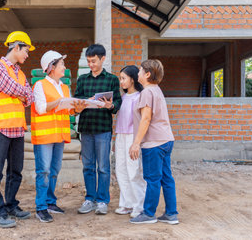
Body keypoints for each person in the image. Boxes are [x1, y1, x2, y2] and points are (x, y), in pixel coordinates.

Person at [0, 31, 35, 228]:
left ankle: (10, 205)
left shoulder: (20, 73)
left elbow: (30, 98)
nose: (27, 55)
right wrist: (20, 92)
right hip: (0, 128)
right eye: (26, 51)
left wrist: (19, 92)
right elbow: (10, 87)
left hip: (17, 130)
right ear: (16, 47)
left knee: (16, 171)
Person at [31, 51, 86, 223]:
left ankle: (50, 202)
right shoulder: (40, 85)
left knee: (54, 171)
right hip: (45, 137)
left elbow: (68, 110)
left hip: (59, 135)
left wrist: (77, 108)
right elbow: (40, 108)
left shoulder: (63, 87)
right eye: (62, 64)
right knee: (44, 171)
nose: (64, 67)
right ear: (52, 67)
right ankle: (41, 208)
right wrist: (60, 102)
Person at [129, 59, 179, 225]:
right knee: (166, 178)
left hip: (154, 143)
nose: (138, 74)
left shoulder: (146, 92)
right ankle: (171, 213)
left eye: (140, 71)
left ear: (147, 74)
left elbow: (146, 119)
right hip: (166, 139)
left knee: (152, 179)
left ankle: (149, 213)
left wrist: (136, 143)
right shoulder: (157, 90)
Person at [74, 44, 122, 215]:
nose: (91, 64)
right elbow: (76, 100)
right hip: (86, 127)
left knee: (103, 166)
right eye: (88, 61)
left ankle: (102, 201)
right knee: (88, 166)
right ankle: (89, 199)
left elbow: (117, 103)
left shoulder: (111, 79)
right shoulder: (82, 79)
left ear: (103, 59)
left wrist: (111, 105)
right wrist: (79, 105)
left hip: (103, 129)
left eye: (94, 61)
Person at [114, 65, 146, 219]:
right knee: (121, 169)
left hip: (133, 137)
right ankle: (127, 203)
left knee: (133, 170)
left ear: (132, 79)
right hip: (120, 135)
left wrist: (137, 142)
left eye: (123, 78)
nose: (121, 82)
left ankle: (139, 206)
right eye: (120, 78)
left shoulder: (140, 96)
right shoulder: (123, 98)